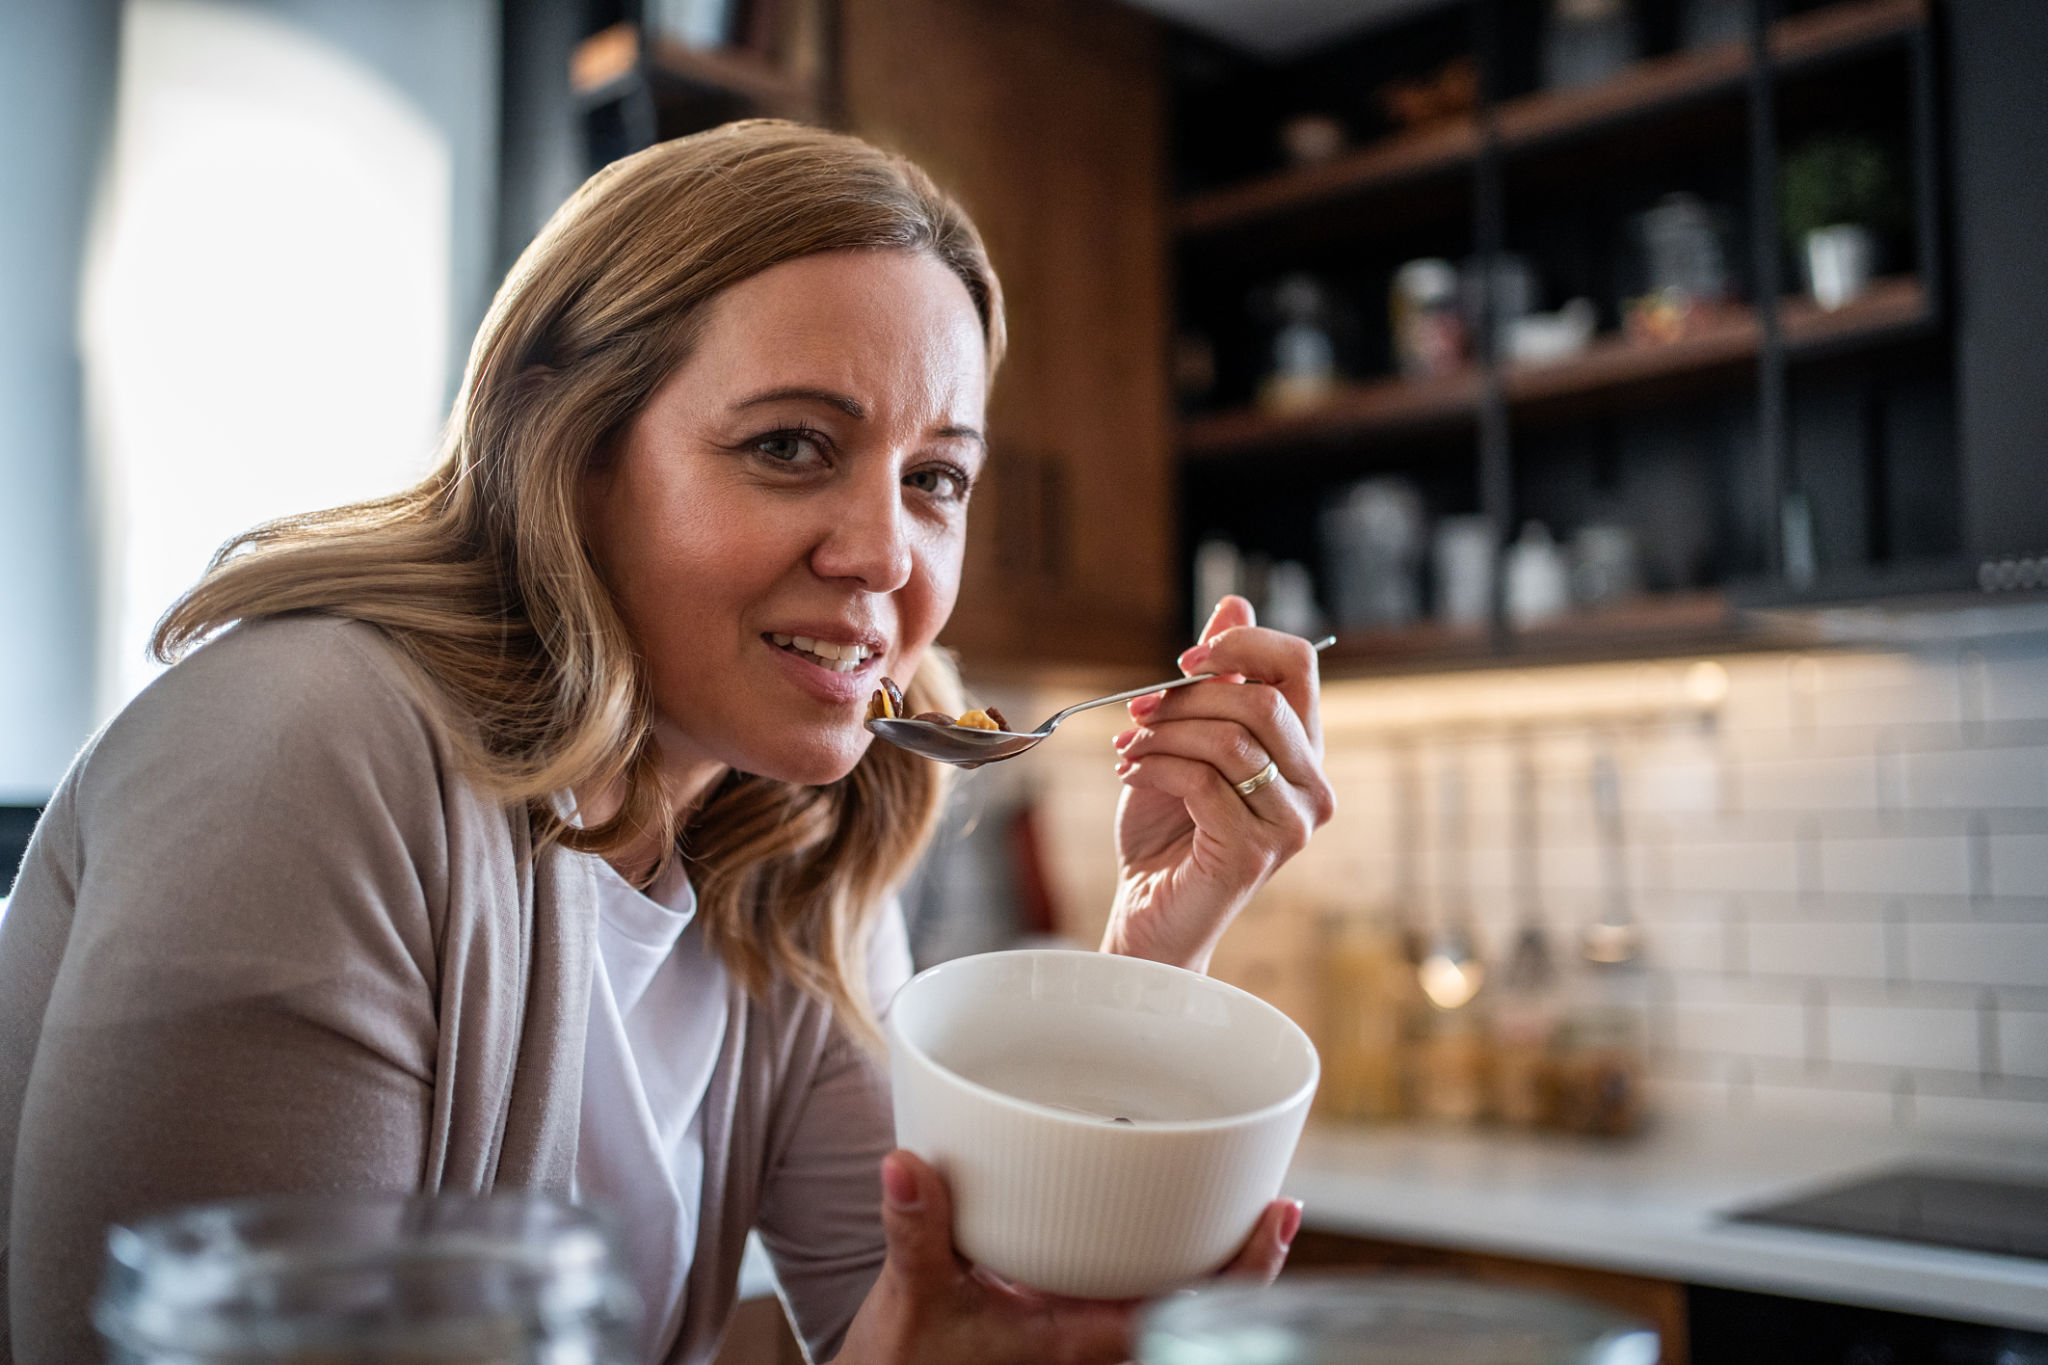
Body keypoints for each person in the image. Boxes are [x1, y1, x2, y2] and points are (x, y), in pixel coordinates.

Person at [0, 120, 1336, 1364]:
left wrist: (1147, 989)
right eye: (791, 445)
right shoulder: (301, 755)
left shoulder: (802, 855)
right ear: (570, 449)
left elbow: (976, 1330)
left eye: (935, 478)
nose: (884, 555)